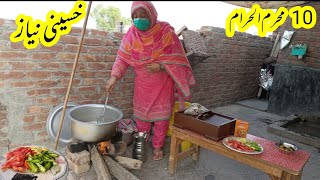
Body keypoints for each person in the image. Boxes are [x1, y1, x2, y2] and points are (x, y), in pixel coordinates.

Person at [105, 1, 195, 161]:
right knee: (142, 119)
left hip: (163, 85)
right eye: (135, 17)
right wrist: (114, 76)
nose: (139, 19)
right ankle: (142, 143)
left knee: (161, 120)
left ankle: (158, 146)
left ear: (152, 14)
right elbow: (122, 58)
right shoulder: (131, 34)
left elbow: (178, 59)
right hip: (143, 86)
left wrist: (161, 66)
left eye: (143, 15)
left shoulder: (166, 33)